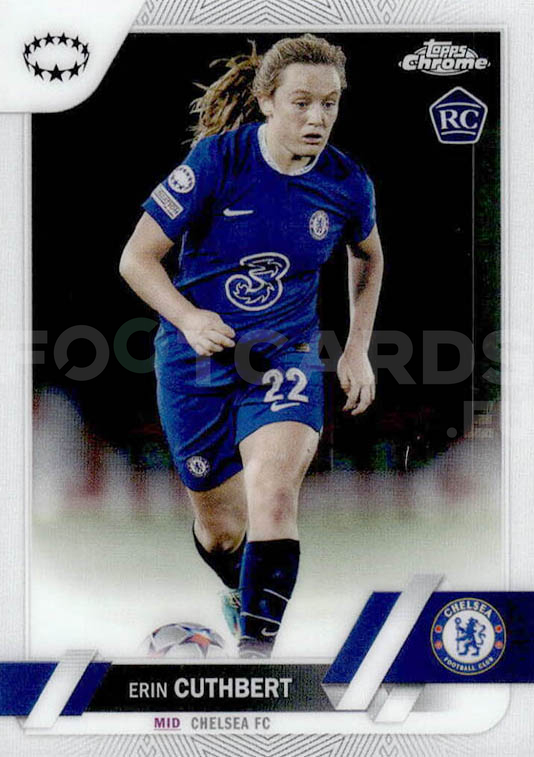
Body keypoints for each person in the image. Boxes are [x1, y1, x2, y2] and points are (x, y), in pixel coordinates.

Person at [119, 34, 383, 658]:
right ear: (267, 101)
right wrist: (188, 318)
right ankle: (242, 597)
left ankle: (255, 658)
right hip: (195, 360)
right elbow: (137, 258)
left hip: (284, 354)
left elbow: (368, 256)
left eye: (330, 103)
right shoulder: (218, 161)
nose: (317, 118)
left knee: (274, 493)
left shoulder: (348, 183)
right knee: (220, 532)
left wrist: (356, 348)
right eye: (301, 102)